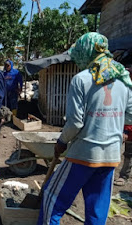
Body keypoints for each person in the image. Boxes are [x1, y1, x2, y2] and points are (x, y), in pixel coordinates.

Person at [38, 32, 132, 225]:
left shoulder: (82, 79)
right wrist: (118, 130)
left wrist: (61, 143)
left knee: (51, 198)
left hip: (84, 153)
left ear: (85, 51)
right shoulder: (123, 79)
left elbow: (75, 123)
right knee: (97, 209)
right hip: (112, 155)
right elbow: (129, 115)